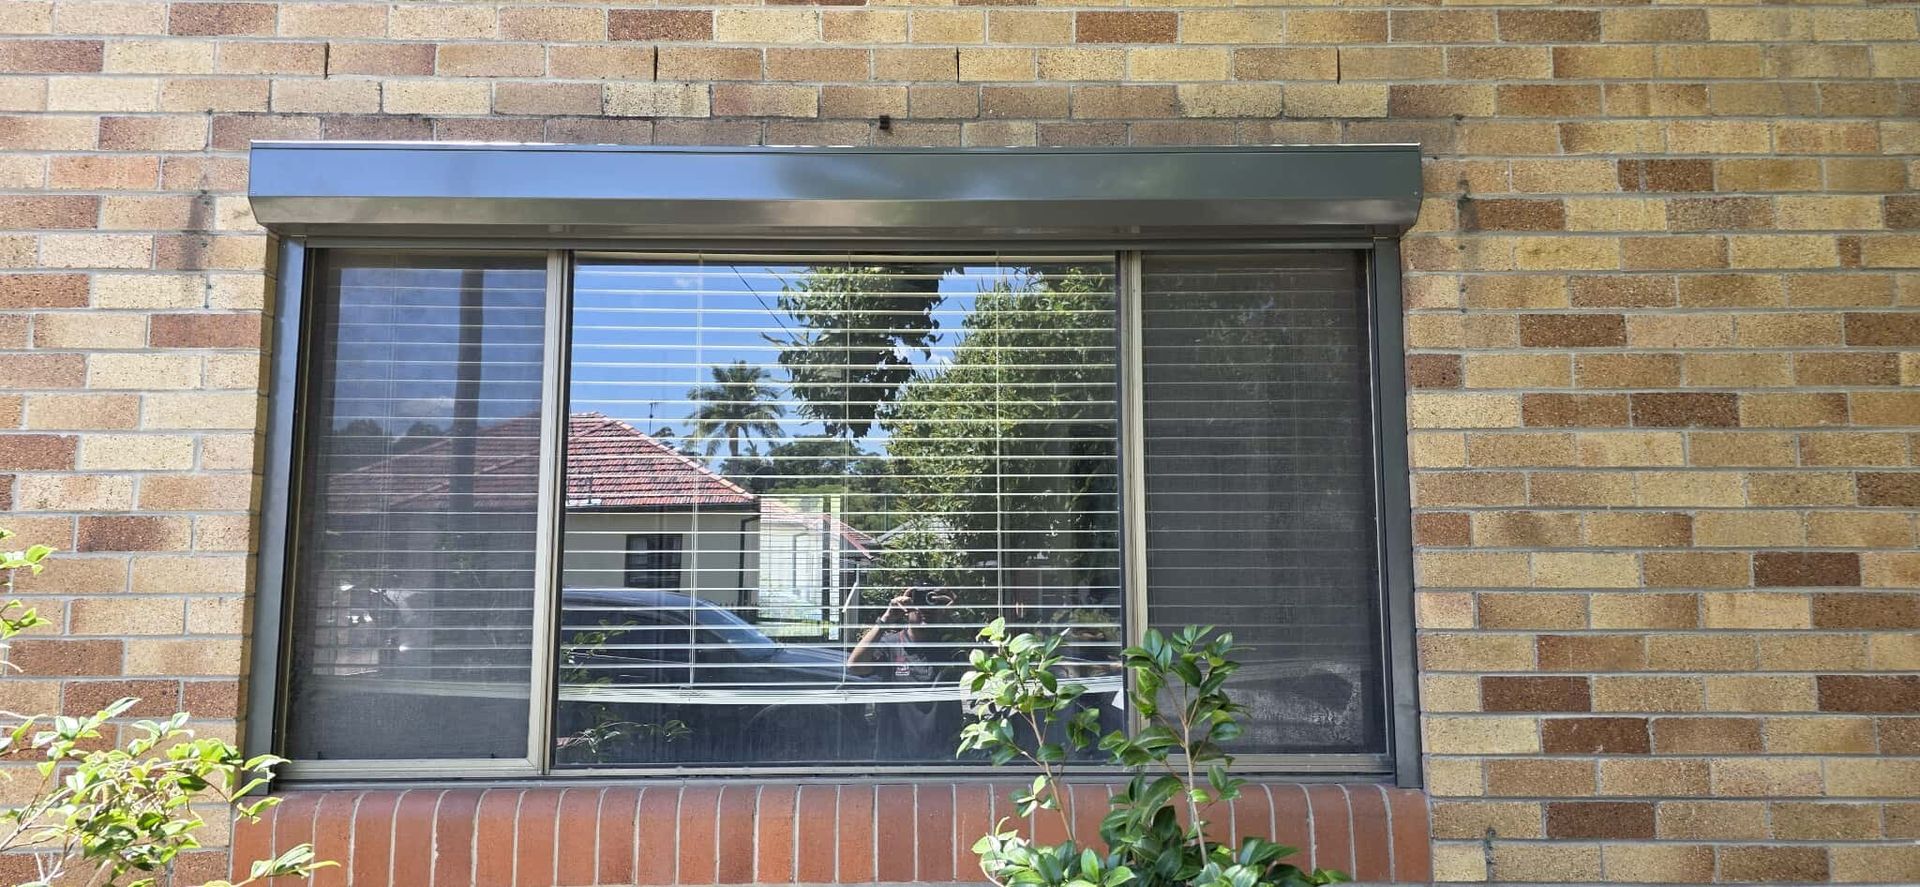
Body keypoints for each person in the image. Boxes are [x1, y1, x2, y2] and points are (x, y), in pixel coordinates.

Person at [847, 586, 961, 758]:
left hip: (943, 755)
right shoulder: (891, 645)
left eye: (932, 602)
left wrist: (957, 618)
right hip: (896, 754)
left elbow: (980, 672)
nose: (925, 610)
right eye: (919, 602)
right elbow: (855, 666)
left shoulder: (950, 646)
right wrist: (886, 619)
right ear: (907, 608)